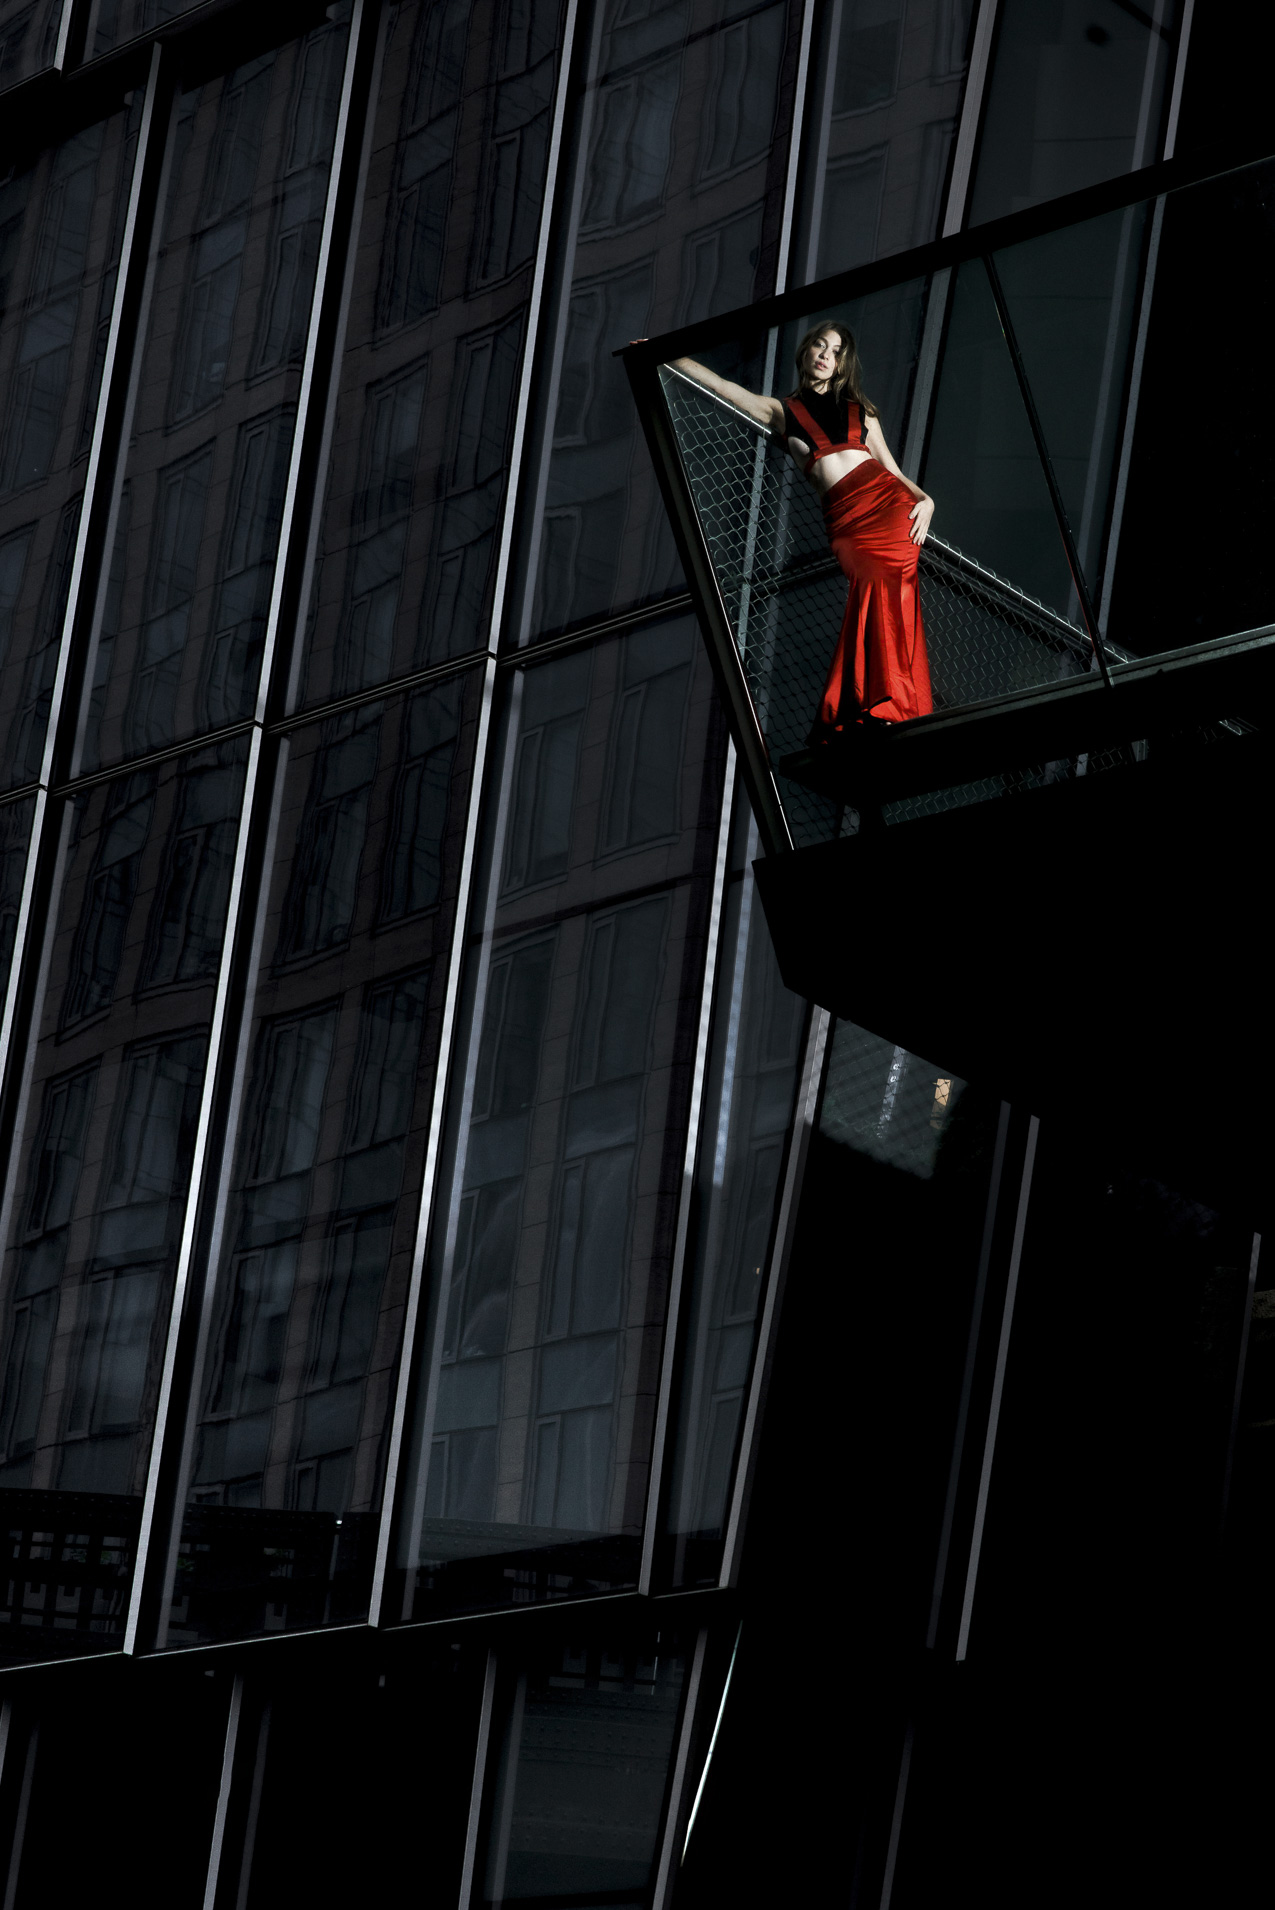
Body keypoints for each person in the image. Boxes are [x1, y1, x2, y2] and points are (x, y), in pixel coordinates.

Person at [667, 322, 934, 735]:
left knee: (891, 595)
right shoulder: (781, 411)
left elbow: (894, 473)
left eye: (836, 351)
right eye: (820, 345)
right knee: (874, 595)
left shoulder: (862, 411)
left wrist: (927, 500)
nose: (826, 354)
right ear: (806, 351)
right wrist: (664, 355)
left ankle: (889, 706)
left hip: (889, 508)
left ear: (842, 364)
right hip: (846, 519)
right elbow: (721, 387)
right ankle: (882, 703)